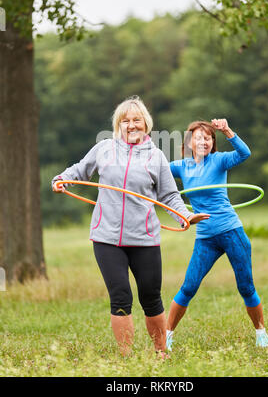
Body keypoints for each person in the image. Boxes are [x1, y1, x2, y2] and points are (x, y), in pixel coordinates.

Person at [52, 96, 210, 357]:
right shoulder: (104, 149)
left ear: (145, 123)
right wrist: (61, 180)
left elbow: (170, 196)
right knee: (121, 297)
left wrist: (185, 216)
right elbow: (80, 171)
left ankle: (161, 352)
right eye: (125, 121)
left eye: (136, 120)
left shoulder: (156, 156)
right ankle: (126, 358)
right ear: (118, 125)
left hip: (144, 238)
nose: (131, 125)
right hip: (107, 238)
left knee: (151, 297)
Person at [166, 118, 268, 351]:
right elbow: (156, 171)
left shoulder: (219, 160)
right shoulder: (181, 166)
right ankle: (167, 335)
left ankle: (261, 332)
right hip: (205, 238)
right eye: (198, 137)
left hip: (231, 231)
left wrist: (227, 131)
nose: (203, 141)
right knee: (188, 286)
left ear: (212, 142)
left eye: (207, 137)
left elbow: (244, 154)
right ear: (190, 141)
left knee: (246, 286)